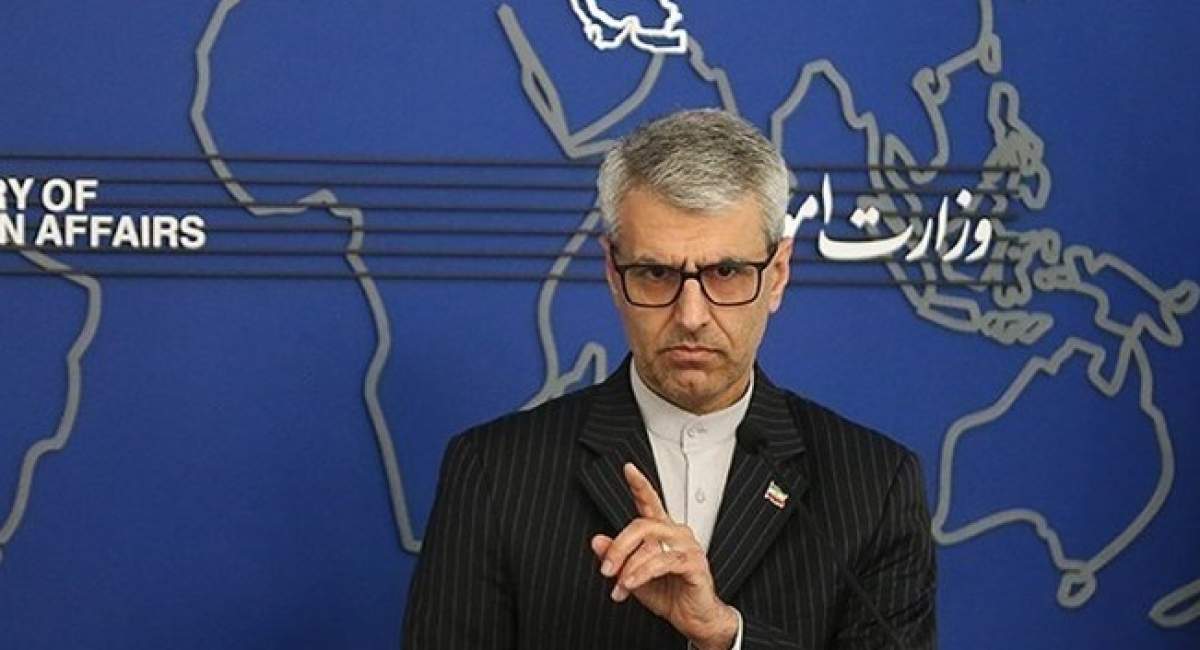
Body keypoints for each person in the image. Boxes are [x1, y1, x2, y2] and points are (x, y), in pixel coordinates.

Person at [403, 109, 936, 649]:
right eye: (656, 273)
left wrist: (726, 637)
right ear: (614, 274)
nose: (691, 315)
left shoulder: (874, 485)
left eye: (725, 272)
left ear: (777, 275)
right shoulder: (495, 472)